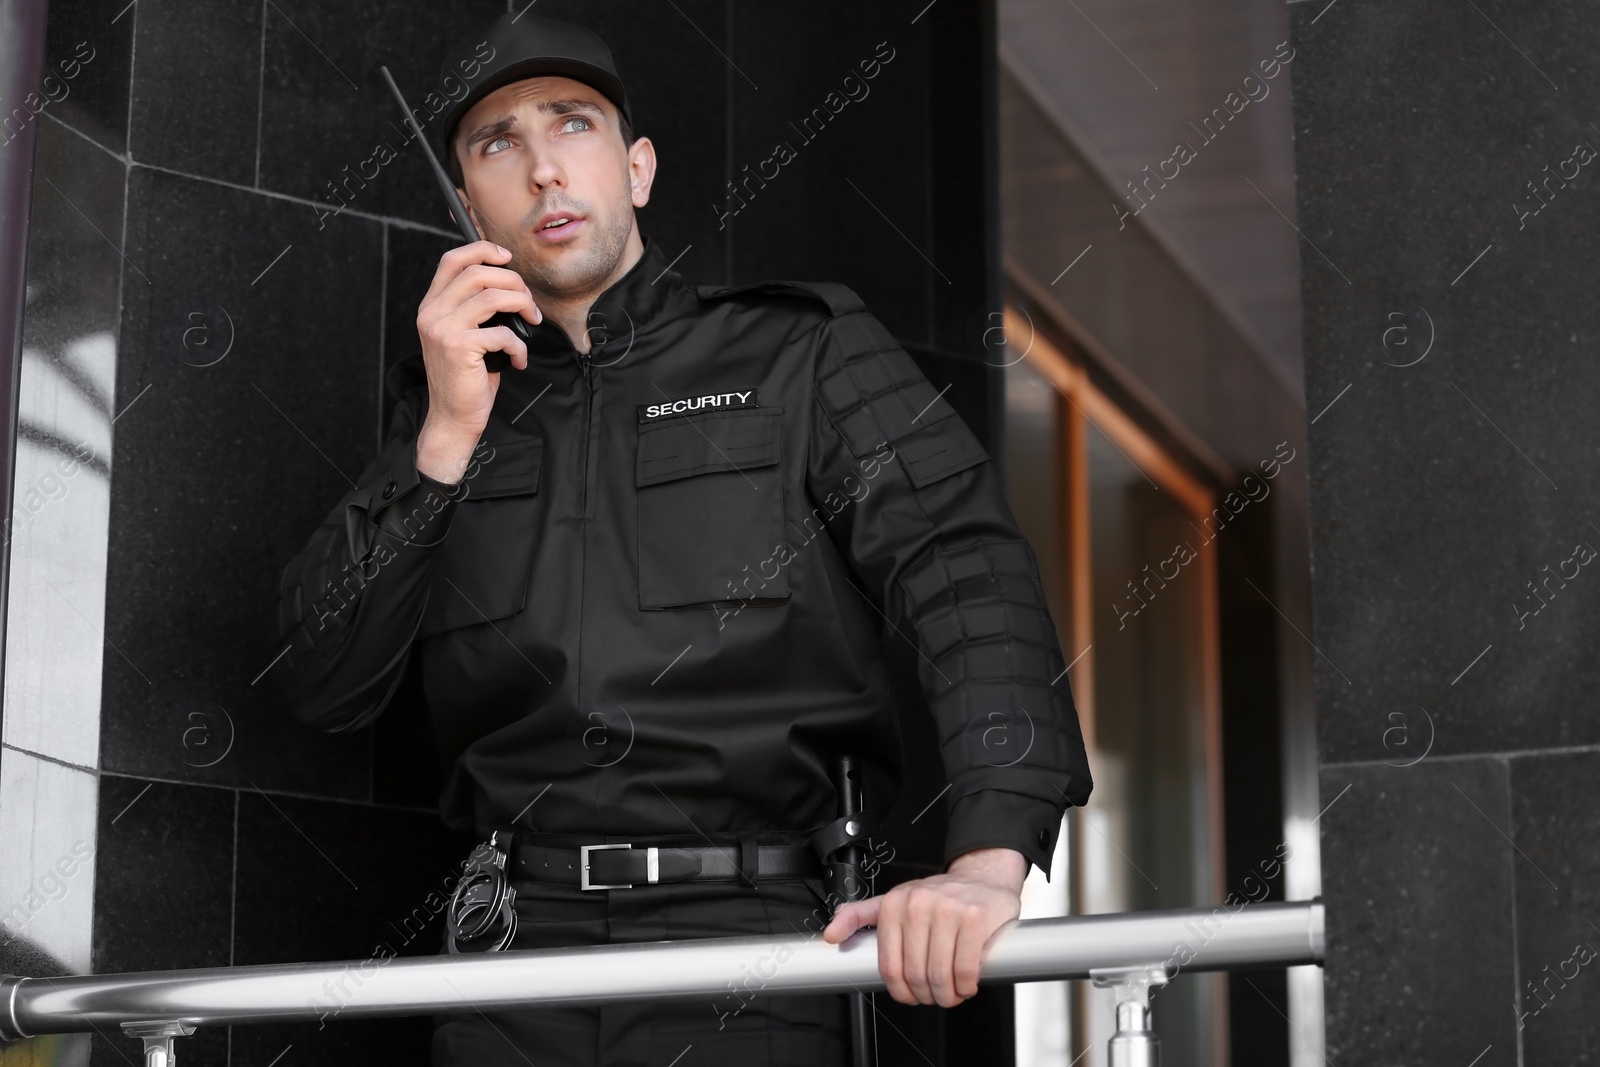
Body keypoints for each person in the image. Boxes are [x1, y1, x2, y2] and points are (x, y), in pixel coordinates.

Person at [267, 11, 1091, 1066]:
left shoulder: (801, 347)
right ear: (466, 203)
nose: (542, 171)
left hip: (760, 949)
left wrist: (988, 859)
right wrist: (441, 439)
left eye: (572, 125)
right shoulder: (446, 409)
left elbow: (967, 576)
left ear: (637, 167)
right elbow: (320, 682)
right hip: (510, 959)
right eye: (496, 144)